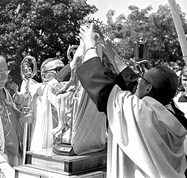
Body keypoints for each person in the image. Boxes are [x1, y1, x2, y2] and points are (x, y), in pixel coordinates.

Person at [76, 24, 187, 178]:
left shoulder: (139, 112)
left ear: (148, 88)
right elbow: (134, 83)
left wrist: (89, 46)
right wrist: (111, 53)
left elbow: (101, 88)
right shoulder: (174, 116)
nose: (137, 81)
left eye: (142, 78)